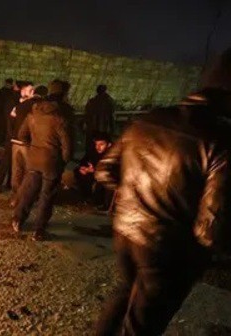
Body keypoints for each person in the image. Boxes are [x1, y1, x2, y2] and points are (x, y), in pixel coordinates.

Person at [93, 48, 231, 336]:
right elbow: (210, 229)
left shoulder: (151, 118)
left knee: (125, 294)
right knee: (143, 324)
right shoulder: (221, 141)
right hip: (169, 249)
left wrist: (135, 199)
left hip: (125, 232)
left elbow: (105, 171)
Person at [11, 94, 72, 241]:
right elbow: (67, 145)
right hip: (51, 161)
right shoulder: (59, 119)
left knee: (28, 191)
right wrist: (64, 160)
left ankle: (18, 219)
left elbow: (22, 134)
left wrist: (31, 147)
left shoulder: (32, 115)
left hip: (33, 160)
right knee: (46, 195)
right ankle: (39, 229)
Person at [10, 81, 41, 193]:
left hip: (16, 140)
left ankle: (15, 196)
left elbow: (12, 120)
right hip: (27, 142)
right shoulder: (35, 107)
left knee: (17, 170)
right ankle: (25, 196)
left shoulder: (19, 106)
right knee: (28, 170)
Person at [72, 132, 113, 210]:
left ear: (108, 145)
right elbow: (84, 161)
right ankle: (86, 198)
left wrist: (95, 170)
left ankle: (101, 202)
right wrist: (83, 168)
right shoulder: (93, 151)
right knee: (78, 172)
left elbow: (111, 168)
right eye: (96, 144)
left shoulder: (112, 153)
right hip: (93, 173)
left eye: (101, 144)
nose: (98, 147)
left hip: (107, 176)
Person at [0, 80, 22, 191]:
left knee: (9, 160)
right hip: (12, 134)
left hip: (10, 133)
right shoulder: (14, 101)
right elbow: (10, 118)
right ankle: (3, 183)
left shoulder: (10, 98)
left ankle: (5, 183)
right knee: (9, 161)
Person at [84, 85, 115, 154]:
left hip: (93, 129)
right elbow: (111, 116)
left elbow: (87, 116)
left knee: (93, 147)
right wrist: (112, 129)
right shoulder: (109, 102)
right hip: (105, 129)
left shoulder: (92, 102)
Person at [0, 78, 15, 145]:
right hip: (3, 113)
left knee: (2, 128)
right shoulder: (8, 92)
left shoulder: (3, 91)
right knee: (2, 128)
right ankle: (0, 141)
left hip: (3, 112)